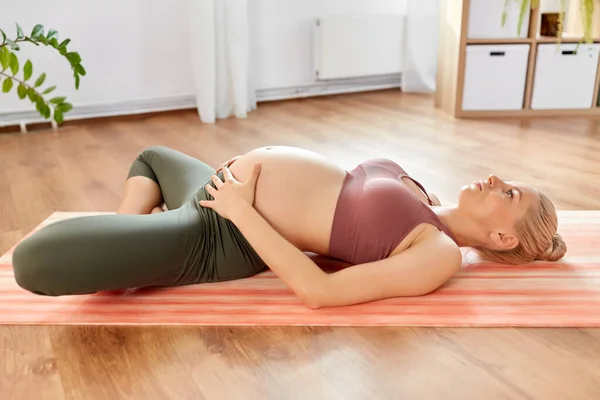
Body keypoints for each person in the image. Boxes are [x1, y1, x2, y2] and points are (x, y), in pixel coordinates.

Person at [12, 145, 567, 308]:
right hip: (219, 192)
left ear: (503, 239)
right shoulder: (428, 200)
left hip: (218, 232)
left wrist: (239, 212)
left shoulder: (438, 252)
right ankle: (124, 251)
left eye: (510, 193)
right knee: (153, 157)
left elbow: (319, 290)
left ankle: (132, 249)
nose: (496, 178)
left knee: (30, 261)